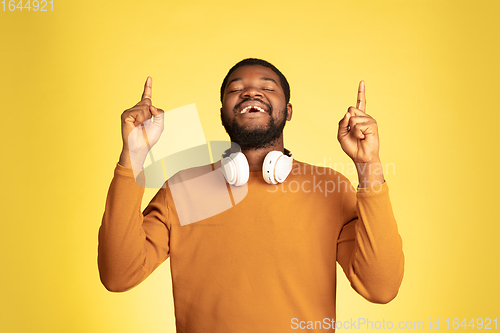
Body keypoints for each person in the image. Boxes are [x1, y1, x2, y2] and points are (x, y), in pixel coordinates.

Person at [98, 58, 404, 332]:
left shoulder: (329, 188)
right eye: (236, 89)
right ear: (222, 113)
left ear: (289, 110)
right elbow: (118, 275)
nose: (250, 92)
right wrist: (133, 156)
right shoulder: (182, 188)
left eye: (267, 87)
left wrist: (369, 166)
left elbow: (381, 288)